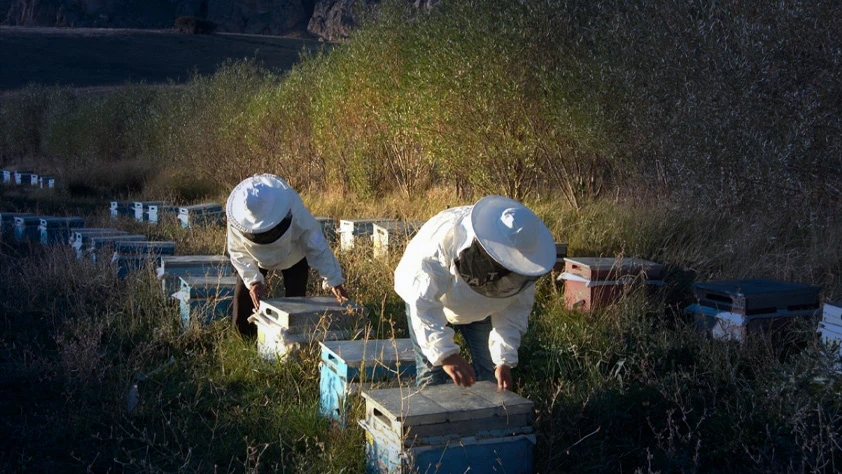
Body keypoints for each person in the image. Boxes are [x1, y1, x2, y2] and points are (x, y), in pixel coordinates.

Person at [394, 195, 555, 391]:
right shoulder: (441, 241)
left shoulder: (524, 267)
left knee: (489, 375)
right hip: (429, 299)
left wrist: (503, 360)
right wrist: (445, 355)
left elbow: (514, 312)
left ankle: (482, 420)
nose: (504, 276)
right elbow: (423, 303)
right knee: (431, 375)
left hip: (479, 311)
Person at [226, 174, 349, 337]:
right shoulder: (237, 216)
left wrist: (334, 281)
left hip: (293, 253)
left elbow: (315, 242)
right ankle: (243, 339)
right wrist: (253, 281)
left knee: (296, 306)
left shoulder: (291, 203)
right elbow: (237, 251)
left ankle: (294, 341)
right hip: (254, 256)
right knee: (243, 301)